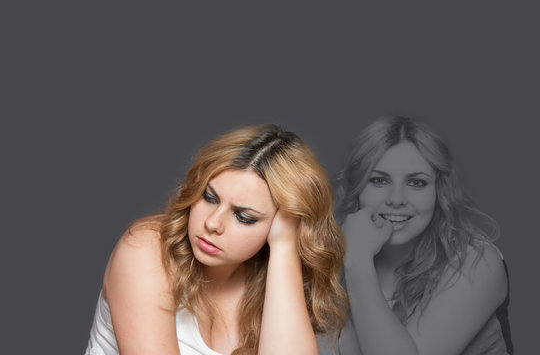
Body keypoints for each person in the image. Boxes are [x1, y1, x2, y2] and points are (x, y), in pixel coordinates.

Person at [85, 124, 348, 355]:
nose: (212, 223)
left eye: (244, 217)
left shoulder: (267, 283)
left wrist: (284, 245)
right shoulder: (146, 250)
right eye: (209, 198)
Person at [334, 115, 513, 355]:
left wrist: (357, 260)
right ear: (357, 190)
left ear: (439, 191)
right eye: (379, 180)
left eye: (416, 183)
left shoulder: (477, 262)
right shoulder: (325, 265)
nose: (396, 199)